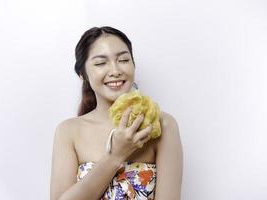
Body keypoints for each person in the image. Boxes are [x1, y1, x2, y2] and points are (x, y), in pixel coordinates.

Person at [50, 26, 183, 200]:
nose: (115, 70)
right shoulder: (68, 131)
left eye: (123, 60)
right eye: (100, 63)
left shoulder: (162, 124)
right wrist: (116, 155)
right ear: (83, 74)